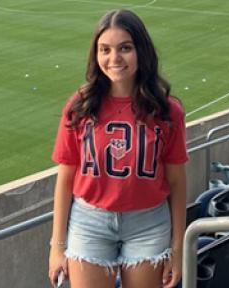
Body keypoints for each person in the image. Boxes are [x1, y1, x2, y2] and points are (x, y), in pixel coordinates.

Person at [49, 9, 188, 288]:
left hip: (148, 223)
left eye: (125, 48)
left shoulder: (167, 110)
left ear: (141, 51)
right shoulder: (80, 106)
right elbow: (65, 179)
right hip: (90, 222)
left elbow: (176, 181)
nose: (114, 59)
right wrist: (57, 246)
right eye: (105, 49)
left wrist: (177, 248)